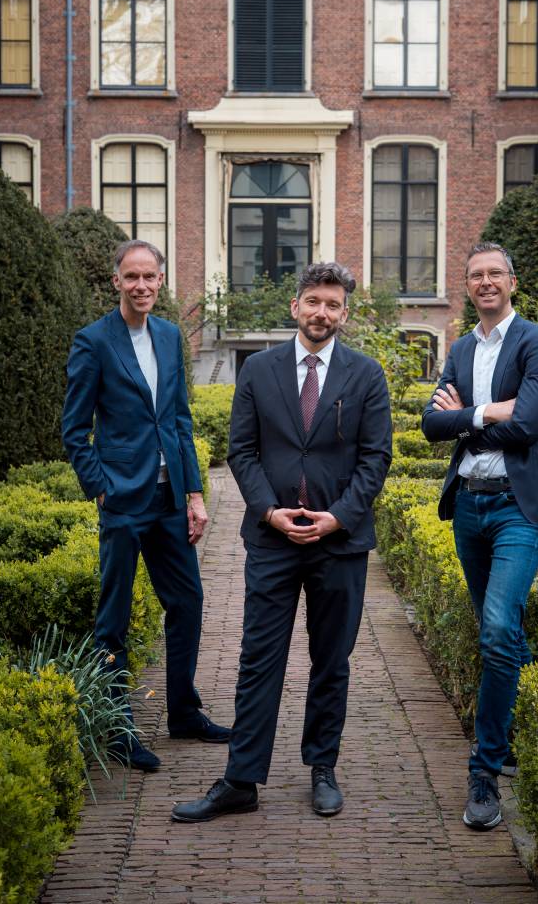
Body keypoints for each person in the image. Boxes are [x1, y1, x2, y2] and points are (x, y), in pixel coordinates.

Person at [171, 261, 392, 822]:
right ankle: (241, 780)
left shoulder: (366, 375)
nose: (322, 312)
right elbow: (242, 451)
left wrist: (337, 518)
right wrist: (269, 512)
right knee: (259, 658)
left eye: (333, 305)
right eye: (313, 301)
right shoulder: (259, 370)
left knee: (331, 660)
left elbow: (376, 458)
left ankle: (322, 768)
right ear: (295, 306)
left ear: (345, 314)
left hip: (339, 543)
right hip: (272, 541)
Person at [422, 241, 538, 830]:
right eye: (476, 275)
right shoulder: (461, 347)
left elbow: (531, 422)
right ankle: (522, 737)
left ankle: (485, 771)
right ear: (466, 286)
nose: (486, 282)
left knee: (495, 629)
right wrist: (490, 412)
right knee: (502, 631)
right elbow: (431, 424)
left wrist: (467, 418)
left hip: (519, 505)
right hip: (469, 504)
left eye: (496, 274)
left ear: (512, 281)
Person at [62, 240, 230, 771]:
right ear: (116, 281)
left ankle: (184, 712)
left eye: (149, 277)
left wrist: (194, 493)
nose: (141, 286)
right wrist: (101, 487)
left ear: (160, 280)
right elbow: (74, 429)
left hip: (168, 498)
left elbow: (178, 419)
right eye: (131, 277)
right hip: (122, 500)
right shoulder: (93, 341)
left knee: (187, 602)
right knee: (113, 619)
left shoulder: (169, 335)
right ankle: (118, 728)